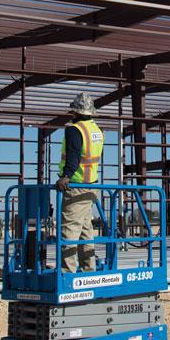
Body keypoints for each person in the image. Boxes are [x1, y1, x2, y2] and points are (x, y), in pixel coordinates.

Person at [56, 92, 105, 272]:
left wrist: (65, 177)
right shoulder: (97, 131)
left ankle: (67, 274)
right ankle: (88, 270)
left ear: (75, 112)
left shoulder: (74, 129)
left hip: (76, 186)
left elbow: (74, 157)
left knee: (69, 231)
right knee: (85, 231)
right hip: (91, 186)